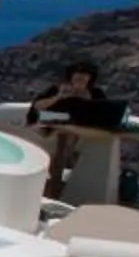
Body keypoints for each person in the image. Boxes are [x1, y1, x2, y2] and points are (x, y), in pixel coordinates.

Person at [25, 60, 103, 198]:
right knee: (61, 141)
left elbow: (103, 112)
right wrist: (59, 97)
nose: (80, 79)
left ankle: (61, 185)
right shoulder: (58, 89)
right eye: (77, 76)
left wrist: (87, 99)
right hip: (50, 126)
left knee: (73, 140)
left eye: (84, 77)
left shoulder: (95, 93)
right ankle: (53, 188)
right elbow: (37, 107)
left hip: (79, 131)